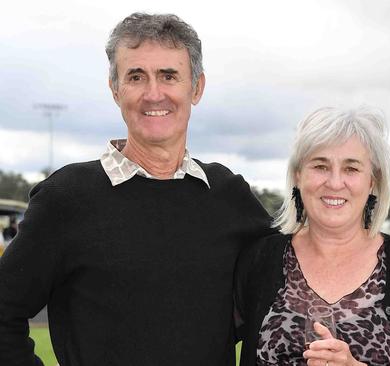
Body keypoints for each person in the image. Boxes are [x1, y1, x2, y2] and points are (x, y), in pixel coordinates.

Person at [0, 13, 273, 366]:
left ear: (197, 88)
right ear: (115, 89)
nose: (153, 94)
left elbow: (297, 271)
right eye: (136, 76)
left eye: (169, 76)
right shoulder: (65, 199)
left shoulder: (229, 195)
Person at [234, 106, 390, 366]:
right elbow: (205, 343)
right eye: (320, 166)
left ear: (372, 181)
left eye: (351, 169)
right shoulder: (259, 259)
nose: (334, 182)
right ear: (298, 175)